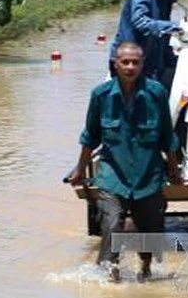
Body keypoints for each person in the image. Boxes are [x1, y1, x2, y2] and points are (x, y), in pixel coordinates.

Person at [70, 42, 181, 283]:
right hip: (113, 174)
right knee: (112, 224)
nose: (130, 67)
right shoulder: (100, 95)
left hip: (148, 175)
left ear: (142, 65)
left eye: (135, 62)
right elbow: (90, 136)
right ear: (115, 64)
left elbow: (167, 136)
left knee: (149, 230)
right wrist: (80, 170)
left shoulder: (156, 93)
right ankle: (110, 274)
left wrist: (173, 169)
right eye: (125, 62)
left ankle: (146, 267)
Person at [109, 0, 182, 92]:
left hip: (152, 60)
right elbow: (141, 22)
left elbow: (163, 35)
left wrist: (173, 61)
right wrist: (177, 26)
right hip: (130, 60)